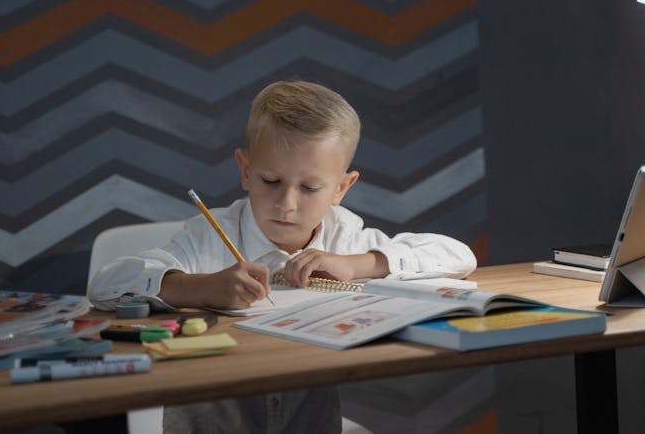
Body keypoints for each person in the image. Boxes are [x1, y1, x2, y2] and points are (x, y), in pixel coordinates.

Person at [88, 79, 477, 433]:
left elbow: (458, 255)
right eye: (270, 181)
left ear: (342, 187)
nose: (287, 204)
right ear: (245, 170)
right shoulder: (208, 236)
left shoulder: (344, 235)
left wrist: (359, 263)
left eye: (310, 187)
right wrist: (200, 288)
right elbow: (105, 285)